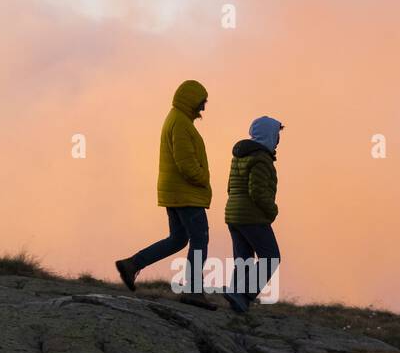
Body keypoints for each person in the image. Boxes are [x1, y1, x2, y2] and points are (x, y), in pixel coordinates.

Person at [115, 79, 216, 309]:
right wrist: (203, 178)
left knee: (178, 239)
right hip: (186, 193)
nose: (203, 108)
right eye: (201, 103)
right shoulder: (180, 124)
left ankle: (132, 264)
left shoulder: (177, 119)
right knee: (200, 238)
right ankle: (193, 290)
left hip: (176, 193)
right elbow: (186, 163)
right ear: (190, 100)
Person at [222, 116, 284, 313]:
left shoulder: (240, 155)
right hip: (252, 216)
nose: (278, 140)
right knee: (271, 257)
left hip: (234, 214)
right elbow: (257, 191)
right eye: (277, 135)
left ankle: (237, 298)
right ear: (269, 135)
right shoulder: (261, 158)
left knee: (244, 258)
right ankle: (243, 294)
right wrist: (272, 210)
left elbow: (230, 187)